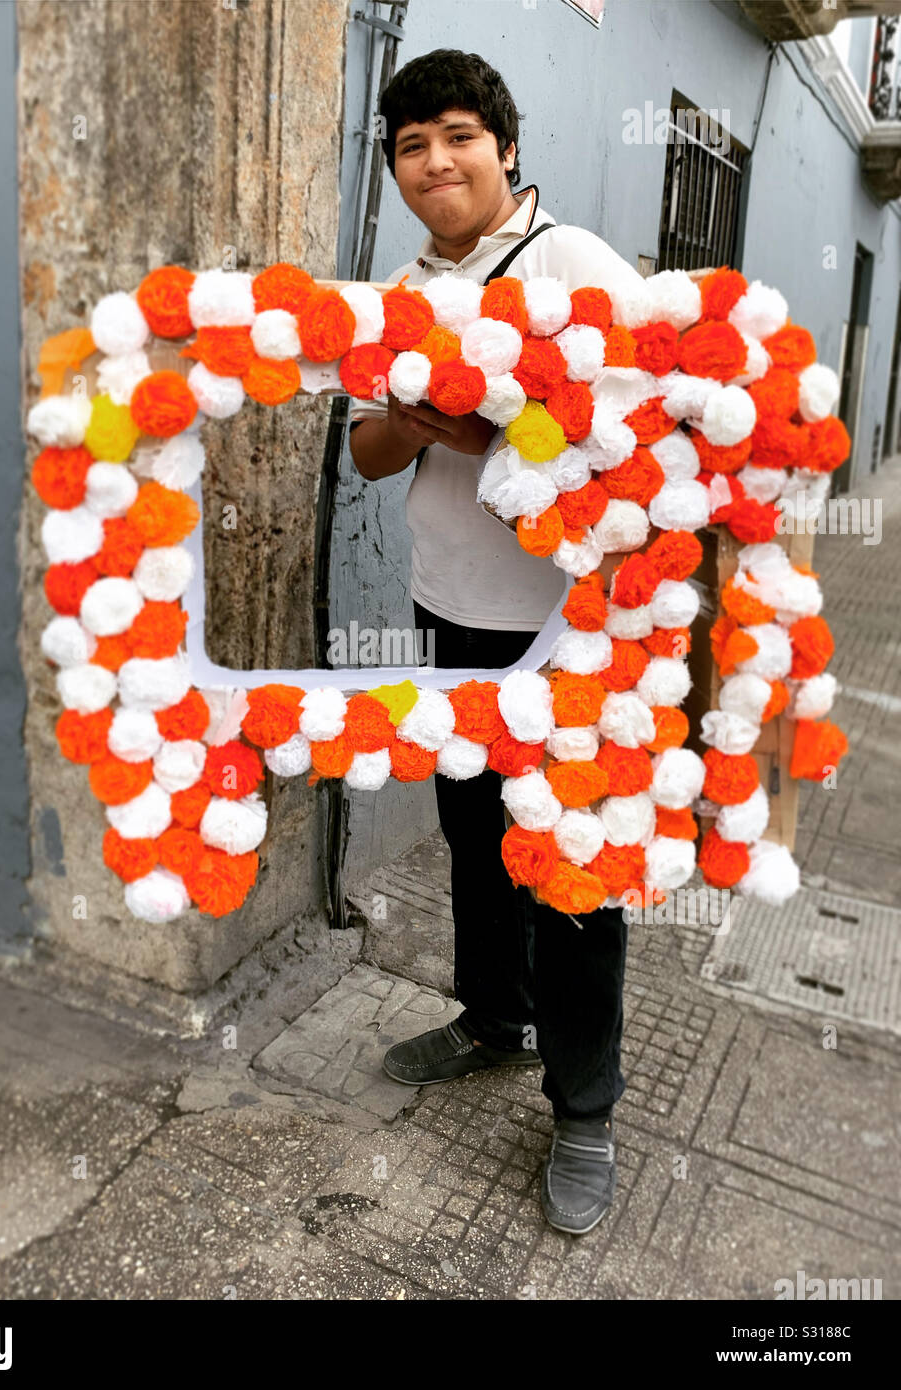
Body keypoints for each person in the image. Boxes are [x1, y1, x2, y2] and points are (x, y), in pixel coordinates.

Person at [347, 51, 652, 1236]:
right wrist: (413, 426)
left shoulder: (573, 265)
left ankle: (583, 1110)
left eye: (458, 135)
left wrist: (491, 442)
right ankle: (490, 1016)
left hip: (565, 630)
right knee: (473, 838)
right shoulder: (400, 290)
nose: (436, 162)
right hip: (449, 611)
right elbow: (370, 452)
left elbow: (642, 446)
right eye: (412, 144)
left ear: (506, 148)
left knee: (570, 869)